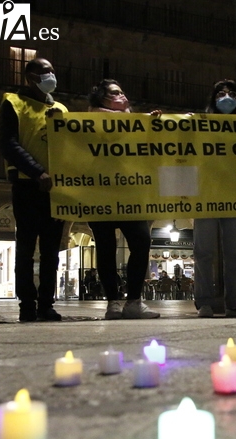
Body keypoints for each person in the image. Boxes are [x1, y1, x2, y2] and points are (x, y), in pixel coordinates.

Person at [0, 58, 67, 322]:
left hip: (56, 189)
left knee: (51, 251)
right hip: (28, 185)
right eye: (44, 72)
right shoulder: (13, 104)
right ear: (30, 78)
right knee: (25, 249)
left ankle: (46, 304)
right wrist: (38, 172)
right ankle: (27, 304)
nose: (50, 75)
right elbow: (8, 144)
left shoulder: (61, 108)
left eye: (52, 71)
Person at [87, 79, 159, 319]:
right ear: (102, 98)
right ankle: (113, 302)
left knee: (141, 241)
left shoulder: (136, 121)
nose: (122, 96)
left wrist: (155, 124)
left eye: (122, 92)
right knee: (105, 247)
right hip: (100, 190)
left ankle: (134, 300)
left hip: (131, 190)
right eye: (115, 93)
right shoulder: (90, 120)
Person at [193, 80, 236, 318]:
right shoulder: (199, 123)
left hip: (235, 194)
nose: (226, 97)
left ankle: (235, 303)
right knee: (203, 252)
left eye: (231, 93)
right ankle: (204, 303)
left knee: (234, 254)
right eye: (221, 93)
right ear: (213, 99)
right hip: (205, 193)